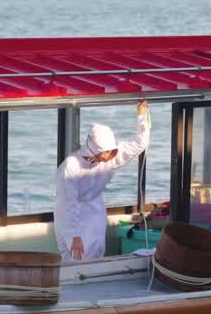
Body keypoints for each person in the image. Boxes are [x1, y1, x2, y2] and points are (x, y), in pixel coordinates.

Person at [55, 100, 150, 262]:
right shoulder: (71, 166)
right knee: (73, 257)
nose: (110, 156)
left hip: (95, 210)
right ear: (93, 149)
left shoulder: (112, 157)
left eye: (112, 151)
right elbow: (69, 203)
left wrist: (141, 115)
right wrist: (75, 235)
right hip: (68, 213)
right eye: (106, 152)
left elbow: (140, 144)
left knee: (95, 252)